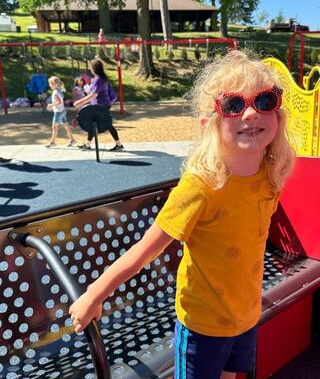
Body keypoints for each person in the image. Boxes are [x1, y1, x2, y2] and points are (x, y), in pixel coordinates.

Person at [69, 50, 295, 379]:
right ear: (210, 126)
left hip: (246, 314)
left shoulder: (269, 177)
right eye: (233, 105)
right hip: (203, 322)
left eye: (264, 101)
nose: (250, 113)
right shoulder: (200, 188)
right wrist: (94, 294)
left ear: (278, 114)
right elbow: (147, 248)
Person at [73, 59, 124, 151]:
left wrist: (80, 102)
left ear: (94, 68)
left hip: (101, 105)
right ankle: (88, 144)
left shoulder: (98, 79)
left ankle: (118, 144)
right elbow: (93, 93)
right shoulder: (101, 78)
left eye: (91, 67)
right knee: (93, 123)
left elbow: (94, 95)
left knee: (106, 124)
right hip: (101, 104)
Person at [46, 76, 77, 148]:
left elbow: (58, 102)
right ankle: (72, 140)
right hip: (62, 110)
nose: (50, 85)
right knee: (66, 126)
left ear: (55, 84)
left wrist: (51, 105)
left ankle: (52, 142)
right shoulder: (59, 90)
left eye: (51, 84)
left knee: (54, 127)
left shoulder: (56, 92)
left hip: (58, 112)